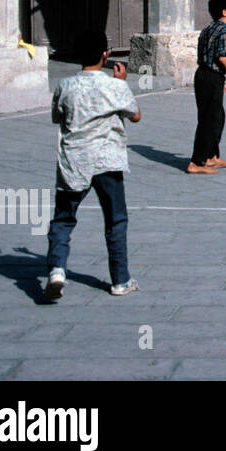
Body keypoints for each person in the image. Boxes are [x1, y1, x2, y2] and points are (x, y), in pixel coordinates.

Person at [45, 29, 141, 300]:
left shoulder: (65, 86)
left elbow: (57, 116)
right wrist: (122, 83)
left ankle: (56, 269)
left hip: (73, 160)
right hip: (107, 160)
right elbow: (136, 116)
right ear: (105, 55)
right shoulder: (115, 86)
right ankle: (120, 280)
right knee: (115, 219)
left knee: (63, 219)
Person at [191, 0, 226, 175]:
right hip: (210, 77)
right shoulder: (224, 30)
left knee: (217, 117)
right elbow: (222, 57)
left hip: (205, 76)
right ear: (224, 12)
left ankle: (211, 156)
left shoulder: (207, 29)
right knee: (209, 121)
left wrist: (219, 79)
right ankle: (196, 162)